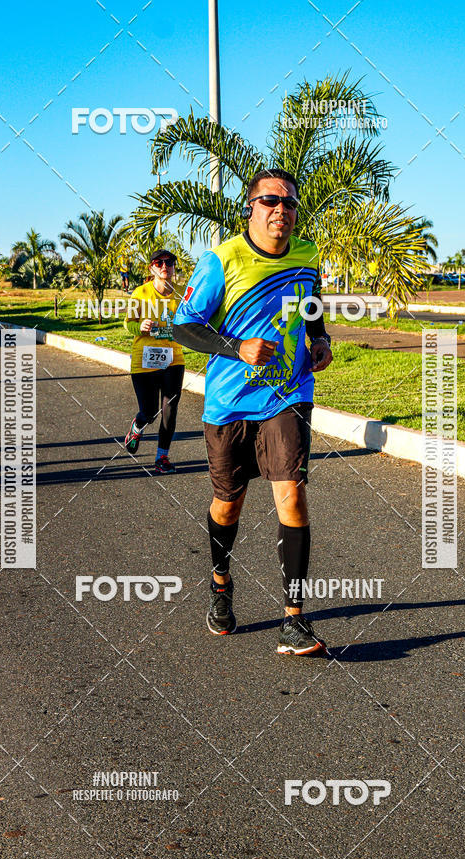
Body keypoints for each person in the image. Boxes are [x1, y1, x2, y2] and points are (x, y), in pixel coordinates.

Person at [173, 167, 333, 655]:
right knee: (229, 503)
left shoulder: (307, 256)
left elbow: (312, 303)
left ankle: (294, 620)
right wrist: (236, 346)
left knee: (293, 496)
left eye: (288, 203)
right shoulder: (221, 260)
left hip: (287, 393)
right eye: (269, 201)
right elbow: (183, 328)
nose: (280, 210)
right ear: (251, 207)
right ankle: (221, 583)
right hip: (229, 403)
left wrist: (320, 338)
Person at [123, 249, 185, 474]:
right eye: (158, 263)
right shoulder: (141, 293)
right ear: (151, 268)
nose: (164, 266)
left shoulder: (181, 294)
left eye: (169, 263)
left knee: (170, 410)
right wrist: (138, 326)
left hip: (173, 360)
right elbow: (128, 323)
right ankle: (137, 427)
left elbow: (191, 321)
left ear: (174, 267)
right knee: (149, 412)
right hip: (144, 361)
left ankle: (162, 457)